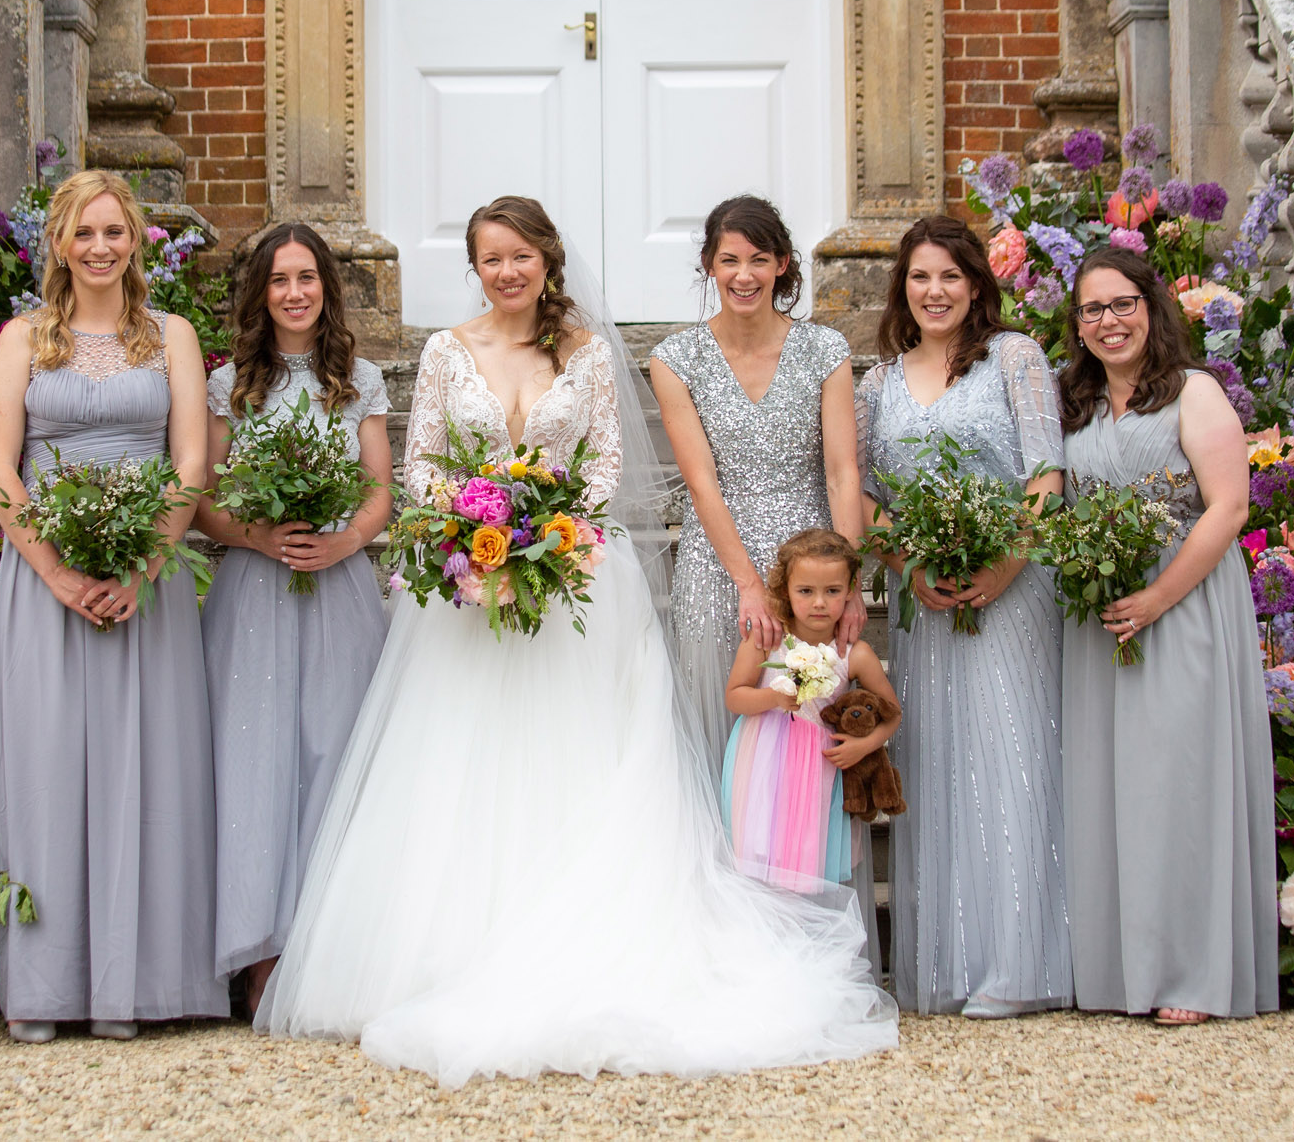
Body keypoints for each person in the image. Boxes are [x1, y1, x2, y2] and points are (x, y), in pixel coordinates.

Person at [255, 196, 897, 1085]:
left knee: (577, 764)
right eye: (491, 259)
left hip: (577, 581)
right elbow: (426, 466)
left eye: (521, 255)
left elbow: (602, 467)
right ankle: (451, 953)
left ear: (547, 261)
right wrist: (468, 542)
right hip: (467, 592)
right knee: (463, 768)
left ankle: (582, 943)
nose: (508, 271)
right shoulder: (446, 351)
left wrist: (549, 541)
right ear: (474, 268)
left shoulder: (589, 352)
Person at [0, 170, 226, 1042]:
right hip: (45, 579)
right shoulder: (21, 339)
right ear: (57, 242)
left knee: (145, 768)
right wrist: (53, 573)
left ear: (137, 243)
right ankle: (48, 989)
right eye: (84, 233)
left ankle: (134, 984)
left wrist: (144, 567)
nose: (99, 248)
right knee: (47, 771)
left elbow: (191, 463)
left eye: (115, 233)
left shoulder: (173, 337)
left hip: (144, 582)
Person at [855, 215, 1072, 1017]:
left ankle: (1020, 963)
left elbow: (1046, 471)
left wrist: (1005, 561)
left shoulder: (1013, 357)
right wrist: (910, 564)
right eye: (920, 277)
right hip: (926, 601)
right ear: (902, 289)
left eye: (950, 276)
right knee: (941, 764)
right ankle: (946, 966)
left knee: (1011, 753)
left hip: (1013, 589)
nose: (935, 291)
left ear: (976, 283)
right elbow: (865, 501)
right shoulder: (877, 384)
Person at [1056, 247, 1278, 1024]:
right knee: (1106, 785)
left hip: (1181, 605)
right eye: (1092, 309)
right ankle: (1119, 970)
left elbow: (1228, 508)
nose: (1108, 321)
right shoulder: (1071, 403)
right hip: (1097, 615)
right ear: (1076, 324)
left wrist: (1154, 596)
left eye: (1122, 305)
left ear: (1151, 308)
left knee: (1177, 782)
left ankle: (1187, 973)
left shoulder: (1195, 392)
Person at [196, 222, 393, 1015]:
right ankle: (261, 949)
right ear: (260, 293)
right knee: (255, 759)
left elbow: (379, 487)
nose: (295, 292)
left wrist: (344, 538)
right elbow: (204, 499)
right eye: (279, 280)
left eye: (307, 277)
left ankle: (329, 944)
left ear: (326, 287)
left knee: (334, 754)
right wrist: (260, 535)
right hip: (252, 593)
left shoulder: (360, 379)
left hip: (339, 590)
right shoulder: (228, 385)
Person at [651, 196, 865, 778]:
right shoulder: (676, 359)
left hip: (813, 563)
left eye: (759, 259)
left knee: (809, 730)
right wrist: (749, 584)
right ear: (709, 266)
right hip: (722, 565)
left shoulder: (826, 351)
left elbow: (843, 473)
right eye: (729, 260)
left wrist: (848, 583)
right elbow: (703, 487)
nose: (744, 275)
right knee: (728, 730)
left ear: (784, 266)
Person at [721, 528, 900, 980]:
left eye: (833, 591)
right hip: (766, 763)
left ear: (850, 593)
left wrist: (862, 744)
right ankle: (762, 965)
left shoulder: (854, 654)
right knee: (764, 860)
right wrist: (775, 698)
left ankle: (811, 968)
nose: (819, 602)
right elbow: (736, 696)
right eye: (806, 591)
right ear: (785, 590)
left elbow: (892, 714)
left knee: (809, 863)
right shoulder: (767, 640)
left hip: (820, 771)